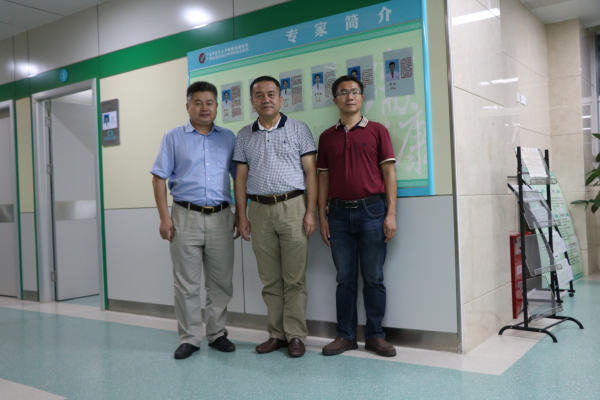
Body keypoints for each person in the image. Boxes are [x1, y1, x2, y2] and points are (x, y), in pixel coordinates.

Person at [150, 81, 238, 360]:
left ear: (216, 106)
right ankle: (189, 338)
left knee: (221, 282)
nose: (204, 108)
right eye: (198, 103)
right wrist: (164, 218)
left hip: (222, 217)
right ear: (187, 106)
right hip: (184, 217)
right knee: (186, 283)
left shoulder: (228, 138)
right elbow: (158, 178)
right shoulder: (173, 137)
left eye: (209, 103)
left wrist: (241, 213)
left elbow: (240, 177)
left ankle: (217, 334)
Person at [234, 76, 318, 358]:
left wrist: (310, 211)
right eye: (259, 95)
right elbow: (240, 178)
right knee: (270, 279)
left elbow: (311, 173)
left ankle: (295, 335)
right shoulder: (244, 135)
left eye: (271, 94)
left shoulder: (298, 129)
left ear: (281, 99)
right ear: (252, 101)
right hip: (258, 211)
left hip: (293, 207)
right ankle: (276, 334)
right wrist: (241, 215)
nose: (266, 99)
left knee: (294, 278)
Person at [316, 75, 398, 357]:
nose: (349, 96)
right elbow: (323, 179)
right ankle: (346, 336)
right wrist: (323, 216)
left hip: (372, 212)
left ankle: (375, 336)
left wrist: (391, 213)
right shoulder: (326, 137)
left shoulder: (377, 131)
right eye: (343, 92)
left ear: (362, 97)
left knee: (374, 277)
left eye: (354, 91)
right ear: (335, 99)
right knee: (344, 279)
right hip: (337, 215)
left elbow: (389, 174)